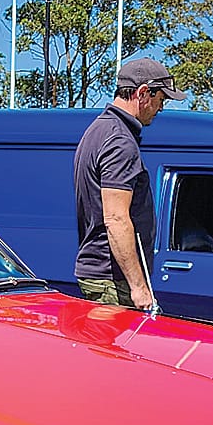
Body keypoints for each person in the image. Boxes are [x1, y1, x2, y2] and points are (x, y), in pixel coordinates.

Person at [72, 59, 184, 310]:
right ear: (143, 93)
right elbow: (116, 219)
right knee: (118, 339)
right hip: (112, 281)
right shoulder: (120, 141)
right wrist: (139, 288)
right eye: (161, 100)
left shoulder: (99, 130)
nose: (161, 108)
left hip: (103, 275)